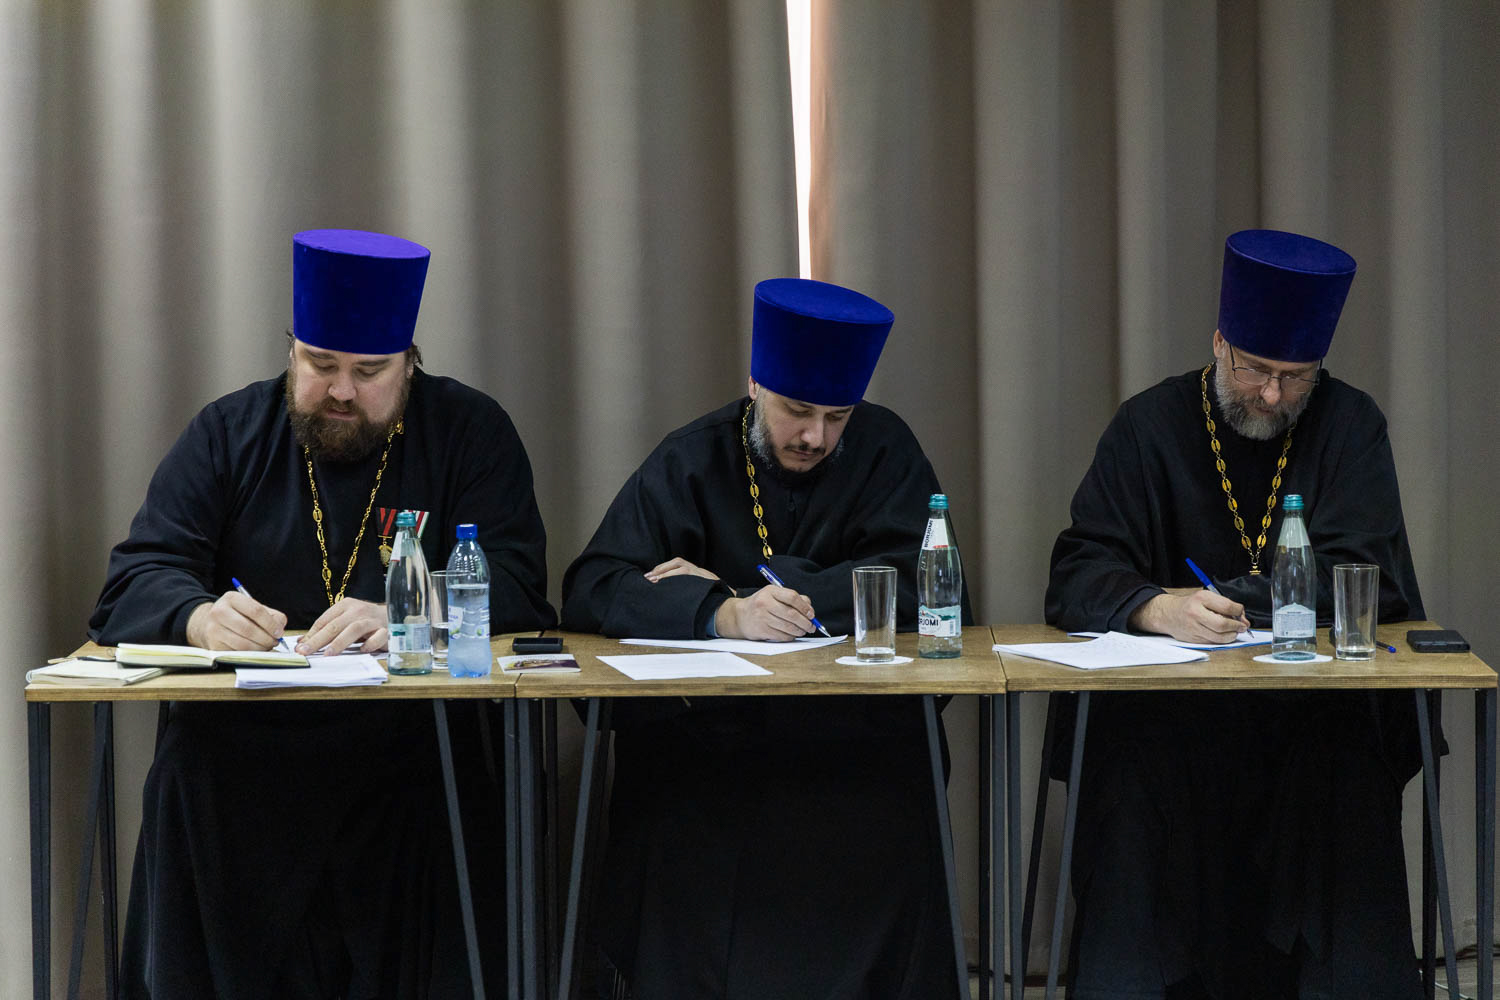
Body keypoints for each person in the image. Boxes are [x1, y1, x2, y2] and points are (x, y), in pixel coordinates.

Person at [90, 228, 554, 999]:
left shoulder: (468, 431)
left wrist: (408, 609)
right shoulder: (229, 433)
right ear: (291, 353)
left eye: (368, 372)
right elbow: (136, 576)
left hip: (410, 750)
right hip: (242, 758)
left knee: (454, 790)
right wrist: (199, 617)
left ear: (408, 364)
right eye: (320, 364)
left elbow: (522, 583)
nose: (341, 391)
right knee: (187, 776)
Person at [1045, 229, 1427, 1000]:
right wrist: (1156, 607)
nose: (1273, 396)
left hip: (1312, 717)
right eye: (1255, 369)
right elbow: (1078, 572)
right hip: (1171, 720)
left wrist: (1239, 598)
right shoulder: (1150, 425)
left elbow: (1369, 575)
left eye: (1296, 377)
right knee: (1129, 773)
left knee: (1352, 773)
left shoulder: (1350, 424)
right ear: (1220, 344)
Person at [562, 277, 968, 998]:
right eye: (797, 411)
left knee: (888, 814)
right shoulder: (692, 459)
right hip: (713, 755)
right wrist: (719, 614)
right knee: (677, 817)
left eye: (836, 416)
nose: (815, 437)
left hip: (855, 753)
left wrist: (753, 589)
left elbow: (931, 588)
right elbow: (593, 587)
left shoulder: (885, 450)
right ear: (755, 386)